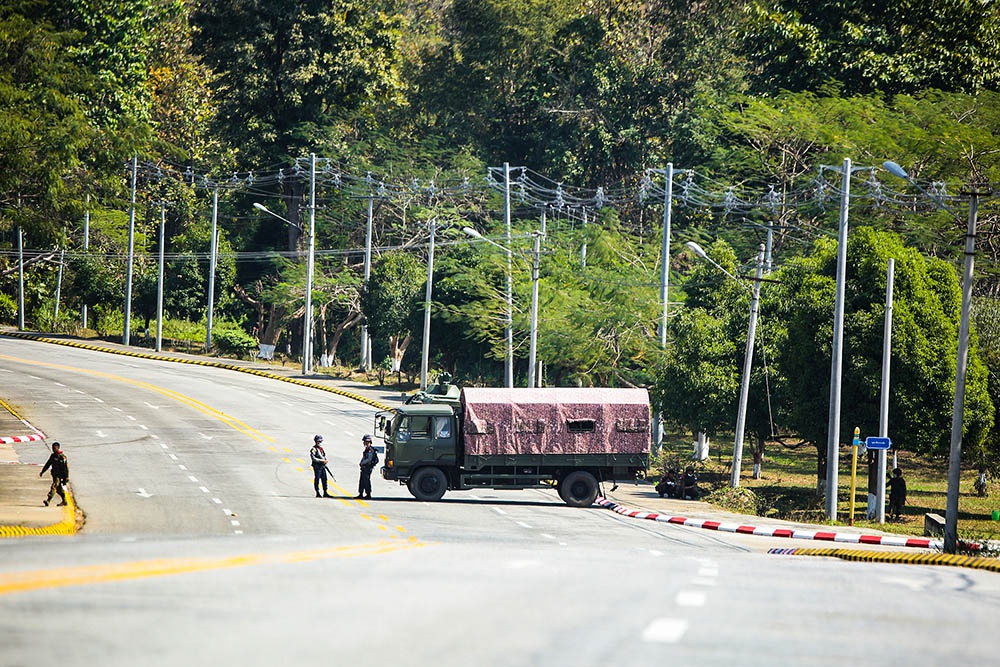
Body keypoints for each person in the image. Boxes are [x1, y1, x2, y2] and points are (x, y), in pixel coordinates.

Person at [40, 441, 69, 506]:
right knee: (59, 489)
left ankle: (48, 500)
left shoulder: (62, 457)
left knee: (54, 486)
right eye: (53, 448)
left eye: (55, 448)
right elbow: (48, 464)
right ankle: (64, 501)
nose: (53, 449)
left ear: (58, 448)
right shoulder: (53, 456)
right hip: (54, 475)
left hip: (60, 475)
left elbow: (66, 468)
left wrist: (66, 477)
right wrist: (42, 471)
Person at [356, 434, 378, 499]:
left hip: (367, 468)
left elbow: (369, 459)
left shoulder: (370, 450)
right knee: (362, 481)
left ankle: (368, 494)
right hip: (364, 467)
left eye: (365, 441)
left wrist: (362, 463)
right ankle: (361, 493)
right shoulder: (367, 449)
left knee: (366, 481)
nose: (363, 442)